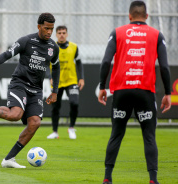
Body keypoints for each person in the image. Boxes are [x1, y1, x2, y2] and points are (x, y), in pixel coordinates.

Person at [0, 13, 60, 168]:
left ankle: (9, 159)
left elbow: (56, 68)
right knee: (15, 115)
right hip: (19, 84)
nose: (49, 32)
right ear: (39, 26)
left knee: (35, 123)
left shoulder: (53, 47)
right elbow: (7, 54)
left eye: (52, 29)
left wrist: (55, 91)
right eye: (46, 28)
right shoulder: (26, 41)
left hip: (36, 90)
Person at [98, 1, 171, 184]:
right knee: (149, 136)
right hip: (145, 92)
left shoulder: (117, 32)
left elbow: (106, 62)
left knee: (116, 133)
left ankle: (107, 178)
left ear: (129, 16)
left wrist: (102, 86)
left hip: (122, 91)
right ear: (147, 16)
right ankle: (153, 179)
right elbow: (164, 67)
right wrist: (168, 93)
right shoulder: (157, 35)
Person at [47, 25, 85, 140]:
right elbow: (45, 63)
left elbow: (79, 62)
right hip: (57, 82)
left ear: (67, 34)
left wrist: (81, 78)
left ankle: (71, 128)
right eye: (59, 33)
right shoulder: (51, 47)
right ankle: (55, 132)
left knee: (74, 103)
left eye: (64, 32)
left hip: (71, 80)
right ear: (56, 35)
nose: (61, 35)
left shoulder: (74, 47)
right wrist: (50, 76)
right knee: (55, 107)